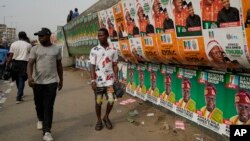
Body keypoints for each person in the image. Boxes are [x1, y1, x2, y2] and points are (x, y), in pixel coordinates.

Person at [27, 27, 63, 141]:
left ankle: (47, 131)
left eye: (42, 36)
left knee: (48, 106)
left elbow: (59, 65)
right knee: (39, 104)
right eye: (39, 36)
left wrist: (61, 80)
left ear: (48, 36)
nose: (40, 38)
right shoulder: (35, 49)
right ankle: (40, 119)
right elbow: (30, 64)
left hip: (51, 82)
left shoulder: (56, 49)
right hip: (37, 82)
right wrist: (29, 77)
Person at [89, 28, 118, 131]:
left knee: (111, 100)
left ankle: (106, 117)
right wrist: (93, 80)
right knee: (98, 102)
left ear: (107, 36)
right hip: (98, 82)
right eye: (98, 35)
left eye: (102, 35)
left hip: (110, 81)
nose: (100, 37)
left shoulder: (113, 49)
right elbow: (92, 66)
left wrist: (117, 79)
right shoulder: (94, 50)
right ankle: (99, 121)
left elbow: (115, 65)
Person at [6, 31, 32, 104]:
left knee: (17, 79)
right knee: (21, 79)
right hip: (23, 63)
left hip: (14, 63)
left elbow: (11, 56)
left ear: (18, 36)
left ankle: (20, 93)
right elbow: (31, 56)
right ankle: (19, 96)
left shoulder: (13, 44)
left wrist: (7, 64)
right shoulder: (28, 45)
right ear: (25, 36)